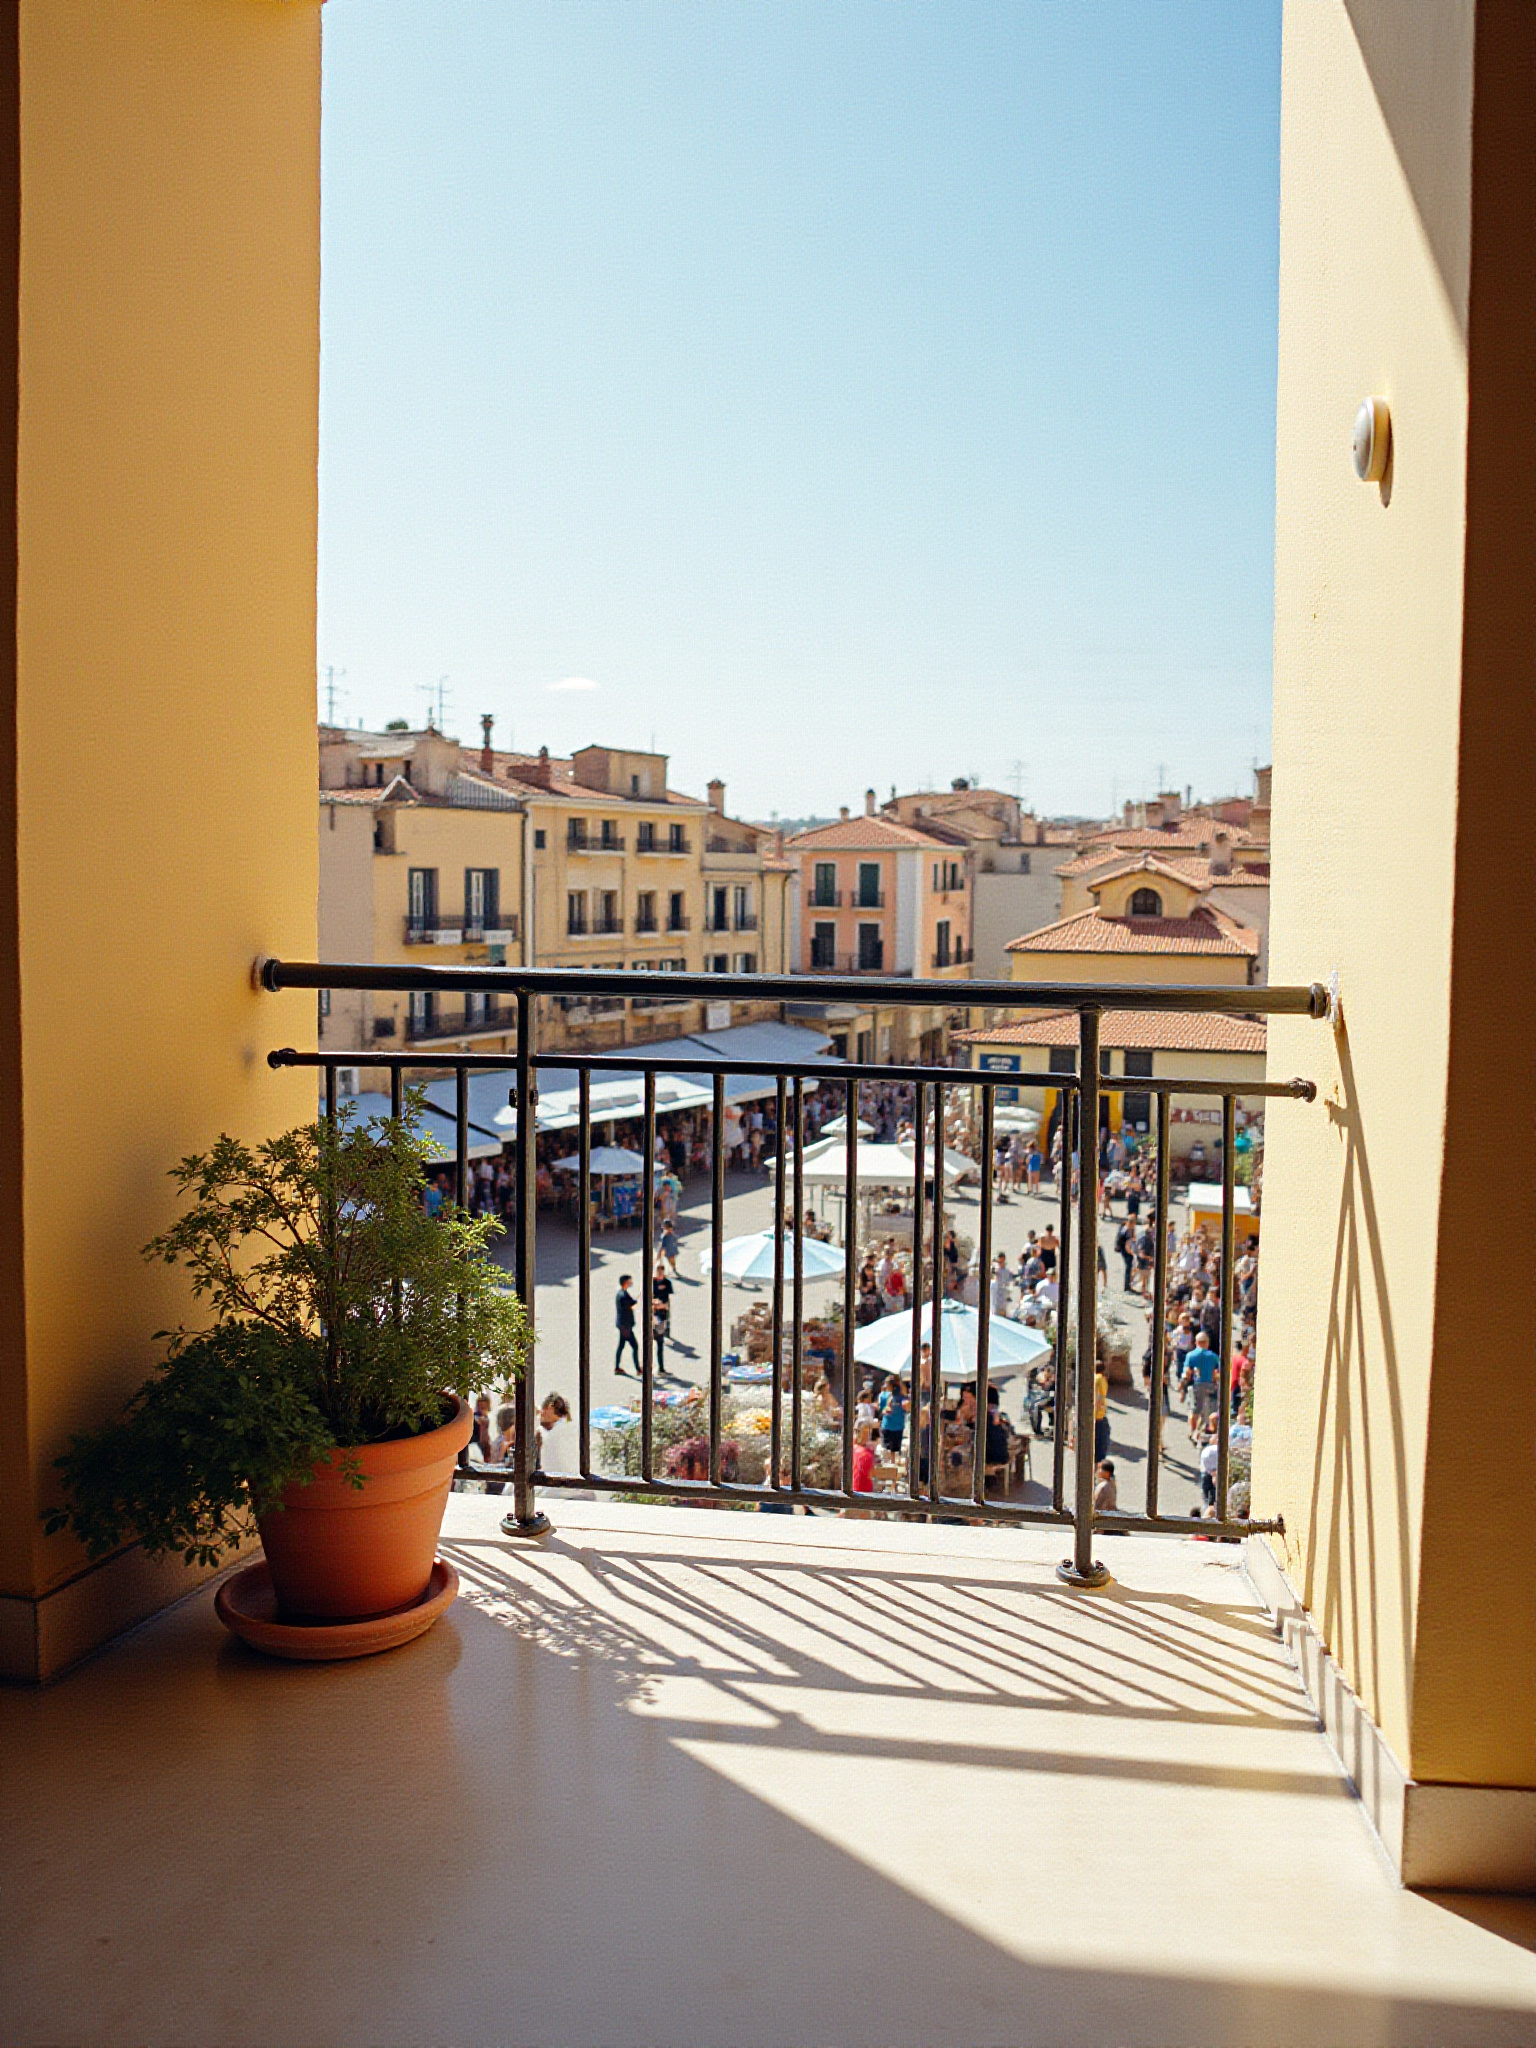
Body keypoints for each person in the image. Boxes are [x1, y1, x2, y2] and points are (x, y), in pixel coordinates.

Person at [1181, 1332, 1220, 1438]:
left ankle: (1193, 1432)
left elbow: (1187, 1372)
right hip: (1210, 1385)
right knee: (1209, 1408)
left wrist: (1182, 1386)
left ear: (1196, 1342)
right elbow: (1217, 1372)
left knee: (1194, 1410)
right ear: (1207, 1343)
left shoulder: (1191, 1355)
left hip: (1196, 1385)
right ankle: (1206, 1429)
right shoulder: (1213, 1356)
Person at [535, 1394, 578, 1477]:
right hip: (560, 1477)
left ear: (551, 1408)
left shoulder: (562, 1429)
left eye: (546, 1409)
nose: (542, 1413)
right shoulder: (563, 1426)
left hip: (561, 1478)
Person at [614, 1273, 640, 1376]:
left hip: (622, 1325)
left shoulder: (622, 1293)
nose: (631, 1282)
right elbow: (630, 1304)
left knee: (621, 1346)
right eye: (629, 1281)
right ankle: (638, 1369)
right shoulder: (623, 1295)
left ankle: (617, 1367)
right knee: (635, 1346)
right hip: (625, 1326)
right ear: (625, 1282)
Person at [651, 1259, 673, 1372]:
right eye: (658, 1271)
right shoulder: (652, 1282)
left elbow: (668, 1299)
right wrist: (655, 1303)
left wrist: (664, 1305)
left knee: (660, 1343)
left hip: (662, 1313)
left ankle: (661, 1367)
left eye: (661, 1271)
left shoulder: (667, 1282)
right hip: (653, 1315)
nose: (660, 1273)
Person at [878, 1374, 906, 1458]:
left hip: (898, 1426)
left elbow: (906, 1407)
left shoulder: (901, 1396)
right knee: (886, 1450)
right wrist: (885, 1410)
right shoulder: (884, 1395)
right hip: (887, 1425)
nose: (885, 1386)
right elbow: (881, 1408)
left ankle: (893, 1463)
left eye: (887, 1384)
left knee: (895, 1451)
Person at [851, 1420, 876, 1496]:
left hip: (852, 1488)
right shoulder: (867, 1454)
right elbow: (872, 1473)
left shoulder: (851, 1449)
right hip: (865, 1492)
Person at [1093, 1362, 1111, 1465]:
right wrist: (1097, 1409)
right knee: (1102, 1444)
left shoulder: (1093, 1378)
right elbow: (1100, 1396)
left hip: (1094, 1416)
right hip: (1099, 1416)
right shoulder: (1101, 1379)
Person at [989, 1250, 1012, 1318]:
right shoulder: (995, 1269)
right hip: (995, 1293)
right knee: (994, 1310)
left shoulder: (1007, 1271)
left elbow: (1008, 1283)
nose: (1000, 1262)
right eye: (999, 1261)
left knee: (1002, 1311)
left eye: (1001, 1261)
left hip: (1002, 1293)